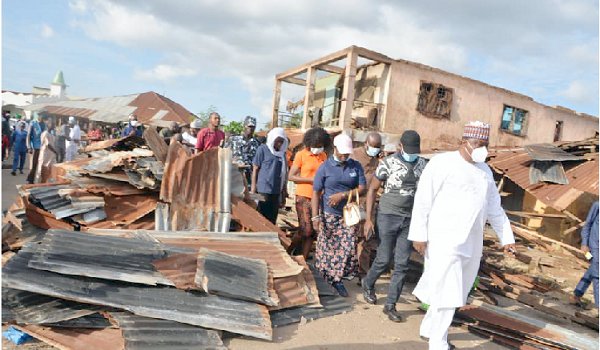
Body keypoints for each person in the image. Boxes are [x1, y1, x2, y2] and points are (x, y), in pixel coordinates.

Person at [408, 121, 516, 350]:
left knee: (456, 288)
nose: (482, 149)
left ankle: (428, 328)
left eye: (485, 144)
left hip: (472, 242)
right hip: (443, 240)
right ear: (463, 142)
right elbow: (423, 200)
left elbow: (495, 208)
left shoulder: (485, 171)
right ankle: (438, 342)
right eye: (478, 143)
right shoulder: (442, 163)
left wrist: (507, 238)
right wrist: (419, 234)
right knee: (448, 290)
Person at [361, 130, 428, 322]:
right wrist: (369, 219)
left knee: (402, 264)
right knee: (383, 259)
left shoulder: (424, 165)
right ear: (400, 147)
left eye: (415, 150)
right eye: (408, 150)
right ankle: (368, 282)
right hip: (388, 216)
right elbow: (373, 190)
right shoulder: (387, 164)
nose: (412, 154)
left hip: (410, 219)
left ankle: (390, 305)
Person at [311, 133, 366, 297]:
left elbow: (362, 188)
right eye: (342, 153)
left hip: (347, 215)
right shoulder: (325, 168)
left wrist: (342, 195)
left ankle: (337, 279)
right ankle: (324, 278)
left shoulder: (355, 166)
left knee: (346, 247)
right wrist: (315, 217)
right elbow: (316, 193)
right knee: (327, 247)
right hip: (329, 215)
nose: (344, 156)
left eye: (347, 153)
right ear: (335, 149)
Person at [288, 127, 330, 259]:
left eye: (321, 146)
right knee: (305, 230)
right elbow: (291, 176)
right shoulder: (301, 155)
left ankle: (304, 259)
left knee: (312, 233)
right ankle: (289, 249)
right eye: (316, 146)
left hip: (318, 197)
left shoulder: (324, 156)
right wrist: (311, 179)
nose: (318, 148)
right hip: (303, 196)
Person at [352, 132, 383, 281]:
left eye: (378, 147)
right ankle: (348, 268)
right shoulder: (354, 155)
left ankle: (363, 273)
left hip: (371, 202)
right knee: (351, 236)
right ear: (366, 144)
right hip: (354, 201)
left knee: (366, 239)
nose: (375, 150)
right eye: (373, 147)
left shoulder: (379, 159)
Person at [251, 128, 289, 224]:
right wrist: (253, 190)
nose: (279, 144)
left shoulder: (282, 154)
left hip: (276, 191)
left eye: (281, 141)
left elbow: (284, 174)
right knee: (260, 218)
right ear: (272, 139)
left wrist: (284, 192)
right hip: (263, 190)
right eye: (277, 141)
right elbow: (255, 169)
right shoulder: (263, 149)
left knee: (272, 220)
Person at [573, 201, 599, 308]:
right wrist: (584, 244)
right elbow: (587, 225)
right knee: (598, 275)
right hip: (594, 246)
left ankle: (577, 294)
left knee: (593, 270)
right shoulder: (598, 205)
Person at [231, 116, 261, 186]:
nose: (251, 129)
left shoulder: (257, 143)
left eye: (253, 127)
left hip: (249, 179)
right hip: (235, 177)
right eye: (249, 126)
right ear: (244, 126)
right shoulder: (233, 140)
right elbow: (225, 155)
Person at [35, 116, 58, 183]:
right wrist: (55, 151)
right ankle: (38, 184)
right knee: (41, 170)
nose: (54, 126)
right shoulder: (45, 133)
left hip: (50, 156)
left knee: (48, 171)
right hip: (45, 155)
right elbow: (48, 145)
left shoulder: (52, 134)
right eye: (52, 124)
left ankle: (45, 184)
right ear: (48, 125)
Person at [26, 112, 46, 184]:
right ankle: (30, 180)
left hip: (42, 148)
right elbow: (28, 136)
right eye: (40, 115)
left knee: (41, 165)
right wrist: (29, 147)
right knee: (33, 165)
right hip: (34, 147)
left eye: (42, 115)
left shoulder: (44, 124)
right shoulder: (33, 123)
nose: (41, 116)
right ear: (37, 115)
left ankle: (38, 180)